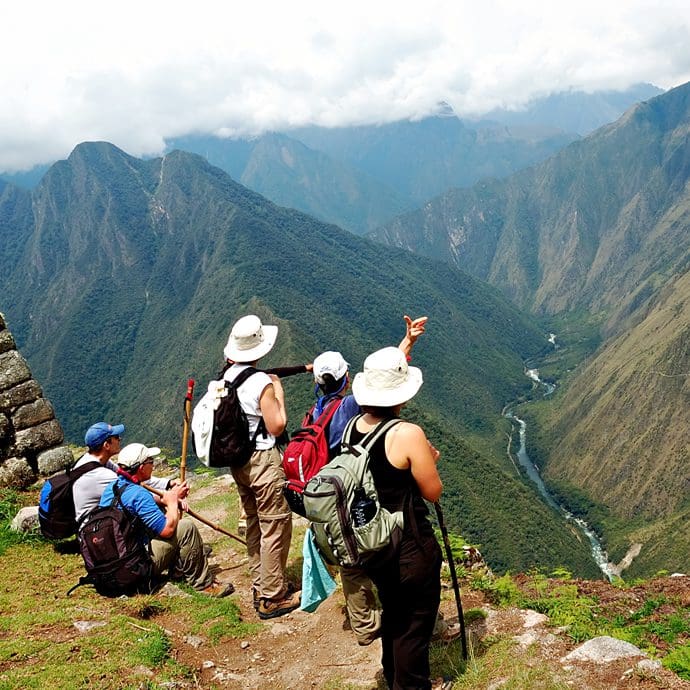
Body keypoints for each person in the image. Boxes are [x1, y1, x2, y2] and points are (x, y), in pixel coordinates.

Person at [307, 315, 427, 646]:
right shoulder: (350, 407)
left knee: (350, 561)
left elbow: (381, 380)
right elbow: (385, 388)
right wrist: (406, 347)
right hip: (359, 493)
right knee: (374, 555)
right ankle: (405, 621)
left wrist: (407, 344)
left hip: (332, 493)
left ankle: (363, 624)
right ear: (346, 380)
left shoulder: (318, 411)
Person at [350, 346, 443, 690]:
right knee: (415, 623)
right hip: (409, 544)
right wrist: (431, 460)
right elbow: (432, 492)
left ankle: (393, 677)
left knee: (394, 613)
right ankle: (412, 685)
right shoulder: (406, 433)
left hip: (373, 544)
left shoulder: (352, 428)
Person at [222, 314, 301, 619]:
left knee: (255, 523)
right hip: (263, 460)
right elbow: (278, 425)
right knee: (276, 525)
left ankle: (263, 583)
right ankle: (272, 597)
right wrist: (278, 390)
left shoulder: (226, 377)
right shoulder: (260, 382)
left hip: (238, 461)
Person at [99, 442, 233, 596]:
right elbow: (167, 530)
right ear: (141, 468)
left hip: (116, 564)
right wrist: (172, 503)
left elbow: (143, 501)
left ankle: (178, 568)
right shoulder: (138, 494)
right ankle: (203, 585)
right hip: (135, 568)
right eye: (150, 462)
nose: (153, 465)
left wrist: (167, 499)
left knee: (162, 511)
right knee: (186, 528)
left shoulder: (112, 488)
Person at [72, 421, 171, 524]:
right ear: (106, 445)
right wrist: (168, 498)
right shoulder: (100, 475)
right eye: (116, 437)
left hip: (104, 517)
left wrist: (169, 483)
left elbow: (129, 475)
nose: (120, 439)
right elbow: (135, 492)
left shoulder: (93, 460)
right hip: (97, 529)